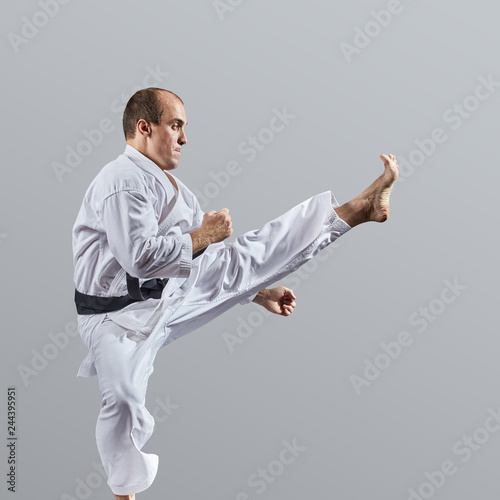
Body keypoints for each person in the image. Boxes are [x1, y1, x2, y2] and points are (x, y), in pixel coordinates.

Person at [72, 87, 399, 499]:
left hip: (163, 294)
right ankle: (125, 494)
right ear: (144, 127)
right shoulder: (120, 182)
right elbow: (139, 257)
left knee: (247, 256)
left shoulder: (176, 192)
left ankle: (357, 210)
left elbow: (203, 257)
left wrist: (257, 292)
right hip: (113, 319)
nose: (184, 138)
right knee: (122, 397)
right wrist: (202, 234)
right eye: (175, 126)